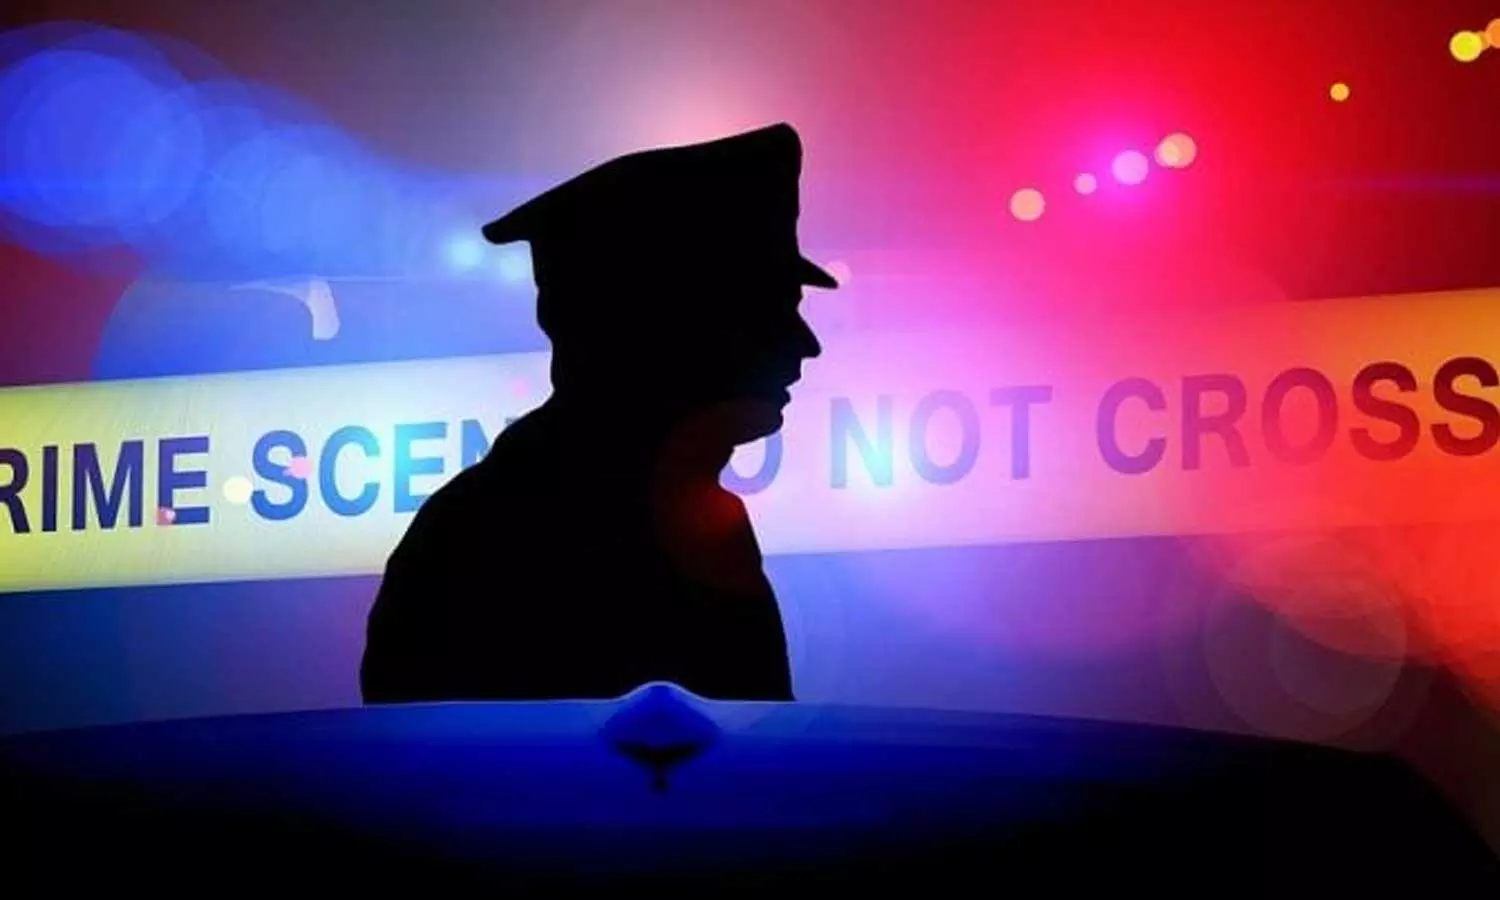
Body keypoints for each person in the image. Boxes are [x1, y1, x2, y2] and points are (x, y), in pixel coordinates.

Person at [360, 123, 837, 703]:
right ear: (664, 323)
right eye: (768, 309)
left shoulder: (482, 528)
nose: (804, 343)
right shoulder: (486, 545)